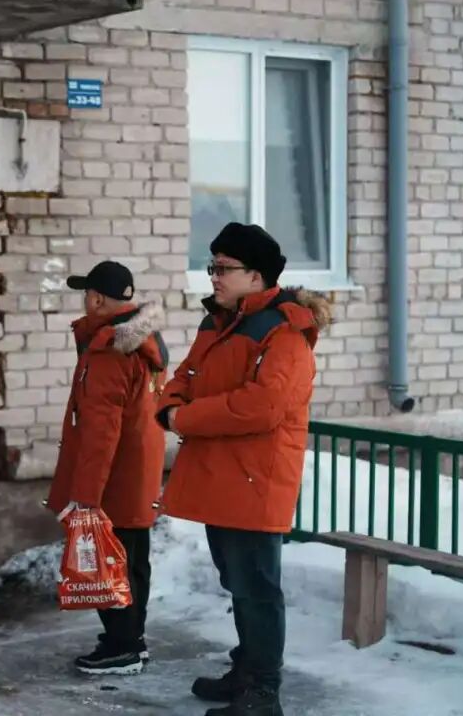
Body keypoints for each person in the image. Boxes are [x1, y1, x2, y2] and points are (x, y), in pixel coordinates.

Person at [156, 223, 331, 716]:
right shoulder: (217, 324)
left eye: (223, 268)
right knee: (236, 581)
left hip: (257, 479)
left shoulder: (285, 330)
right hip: (222, 475)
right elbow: (185, 376)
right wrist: (170, 405)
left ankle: (263, 691)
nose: (213, 276)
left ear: (256, 276)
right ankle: (247, 670)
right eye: (211, 266)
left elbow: (262, 407)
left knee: (257, 588)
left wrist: (184, 418)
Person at [47, 260, 167, 676]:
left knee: (110, 563)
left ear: (97, 299)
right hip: (137, 471)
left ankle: (122, 647)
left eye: (87, 293)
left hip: (113, 478)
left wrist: (87, 497)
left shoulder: (110, 351)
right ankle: (132, 640)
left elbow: (101, 432)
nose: (85, 300)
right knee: (132, 561)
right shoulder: (143, 341)